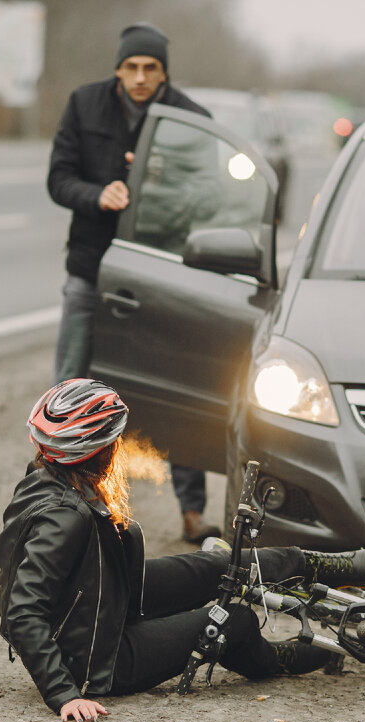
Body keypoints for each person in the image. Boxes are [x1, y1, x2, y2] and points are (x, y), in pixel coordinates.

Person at [0, 379, 365, 722]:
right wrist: (65, 694)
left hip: (107, 601)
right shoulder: (64, 517)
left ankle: (320, 565)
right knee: (232, 620)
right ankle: (279, 659)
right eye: (114, 440)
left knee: (218, 565)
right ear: (96, 449)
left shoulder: (49, 478)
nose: (119, 447)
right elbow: (22, 608)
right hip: (99, 659)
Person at [46, 21, 221, 544]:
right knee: (71, 385)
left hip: (164, 275)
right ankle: (58, 497)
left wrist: (156, 189)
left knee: (179, 389)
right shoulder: (84, 104)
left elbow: (209, 198)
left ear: (165, 72)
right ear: (118, 69)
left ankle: (192, 512)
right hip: (92, 269)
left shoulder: (193, 120)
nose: (141, 77)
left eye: (151, 68)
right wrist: (98, 194)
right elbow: (58, 178)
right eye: (131, 67)